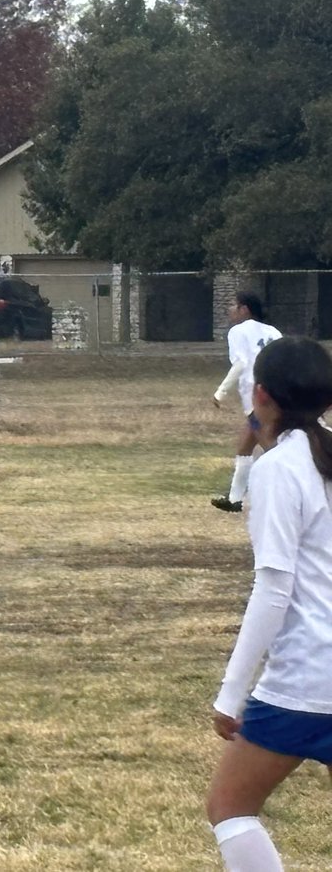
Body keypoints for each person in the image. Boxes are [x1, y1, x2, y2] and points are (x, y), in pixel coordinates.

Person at [206, 336, 332, 871]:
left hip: (308, 678)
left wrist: (230, 693)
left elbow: (274, 589)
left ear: (260, 395)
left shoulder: (279, 469)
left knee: (229, 806)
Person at [212, 292, 282, 512]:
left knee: (274, 450)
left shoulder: (238, 332)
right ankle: (234, 499)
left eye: (234, 305)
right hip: (278, 392)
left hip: (258, 397)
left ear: (245, 309)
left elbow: (241, 363)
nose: (230, 309)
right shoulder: (273, 331)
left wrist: (220, 391)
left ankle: (292, 492)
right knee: (245, 446)